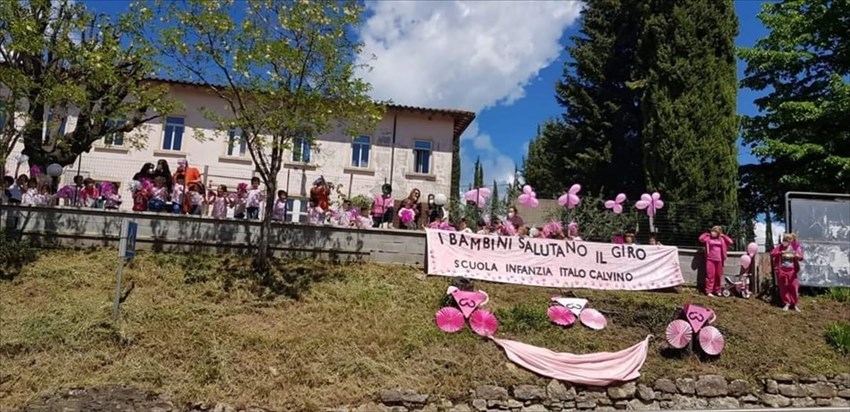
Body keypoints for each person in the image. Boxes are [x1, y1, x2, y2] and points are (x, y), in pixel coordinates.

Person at [771, 233, 804, 311]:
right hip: (782, 270)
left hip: (792, 271)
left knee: (794, 286)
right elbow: (772, 253)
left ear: (790, 241)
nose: (784, 242)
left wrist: (797, 256)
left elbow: (801, 257)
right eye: (783, 240)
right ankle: (787, 303)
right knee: (783, 287)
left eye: (786, 240)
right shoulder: (780, 247)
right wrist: (780, 253)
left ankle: (795, 304)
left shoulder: (794, 248)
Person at [699, 225, 734, 297]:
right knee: (710, 275)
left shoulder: (721, 239)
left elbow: (730, 242)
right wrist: (706, 234)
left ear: (718, 233)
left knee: (718, 276)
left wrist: (723, 235)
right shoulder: (708, 238)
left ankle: (718, 290)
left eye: (715, 232)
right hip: (710, 259)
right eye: (712, 231)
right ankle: (709, 291)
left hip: (719, 260)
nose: (713, 233)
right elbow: (701, 239)